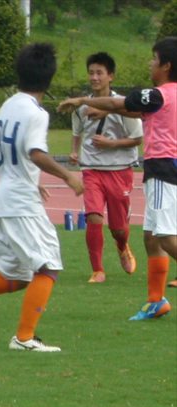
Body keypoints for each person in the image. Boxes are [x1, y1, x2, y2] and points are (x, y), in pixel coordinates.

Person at [0, 43, 83, 353]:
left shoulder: (7, 106)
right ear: (49, 78)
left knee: (19, 275)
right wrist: (68, 176)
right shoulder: (36, 113)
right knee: (48, 266)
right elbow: (36, 153)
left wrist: (21, 178)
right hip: (21, 203)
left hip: (4, 199)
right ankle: (24, 338)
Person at [59, 37, 177, 321]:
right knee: (151, 237)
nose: (150, 63)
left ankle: (155, 300)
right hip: (162, 169)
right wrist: (109, 107)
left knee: (164, 235)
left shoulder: (160, 94)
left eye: (154, 59)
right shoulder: (166, 97)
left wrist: (83, 100)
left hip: (164, 169)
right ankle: (155, 301)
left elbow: (119, 102)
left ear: (166, 65)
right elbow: (129, 109)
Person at [68, 52, 142, 284]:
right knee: (94, 217)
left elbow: (137, 139)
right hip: (91, 168)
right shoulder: (81, 106)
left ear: (111, 76)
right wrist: (74, 151)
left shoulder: (125, 106)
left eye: (99, 73)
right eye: (91, 73)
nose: (94, 77)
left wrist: (112, 144)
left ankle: (122, 245)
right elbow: (77, 131)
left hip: (120, 169)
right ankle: (97, 269)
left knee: (119, 228)